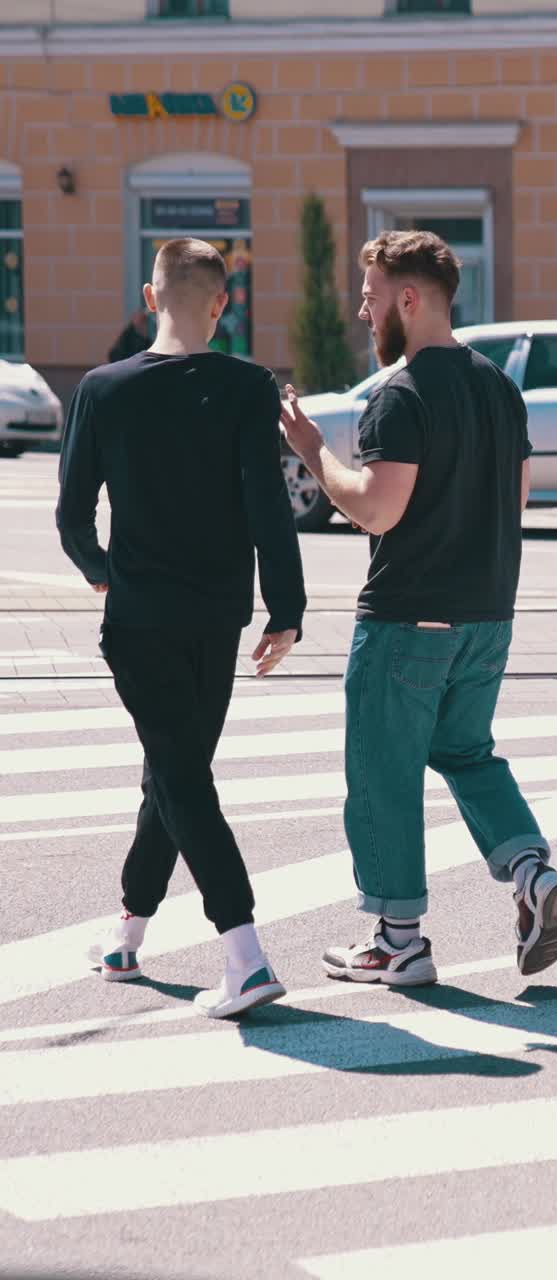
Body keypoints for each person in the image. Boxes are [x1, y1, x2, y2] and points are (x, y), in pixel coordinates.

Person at [278, 229, 557, 986]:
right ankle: (532, 873)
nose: (361, 311)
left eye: (372, 298)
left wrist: (315, 454)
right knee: (466, 750)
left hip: (408, 616)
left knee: (383, 771)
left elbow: (377, 509)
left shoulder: (399, 395)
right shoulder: (500, 389)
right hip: (489, 615)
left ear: (410, 300)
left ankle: (397, 940)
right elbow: (518, 500)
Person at [56, 237, 306, 1019]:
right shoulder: (247, 386)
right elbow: (270, 505)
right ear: (222, 303)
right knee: (174, 772)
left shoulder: (102, 387)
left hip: (138, 618)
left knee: (177, 775)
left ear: (150, 295)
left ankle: (245, 954)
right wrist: (287, 610)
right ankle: (127, 934)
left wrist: (101, 568)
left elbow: (70, 515)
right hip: (220, 618)